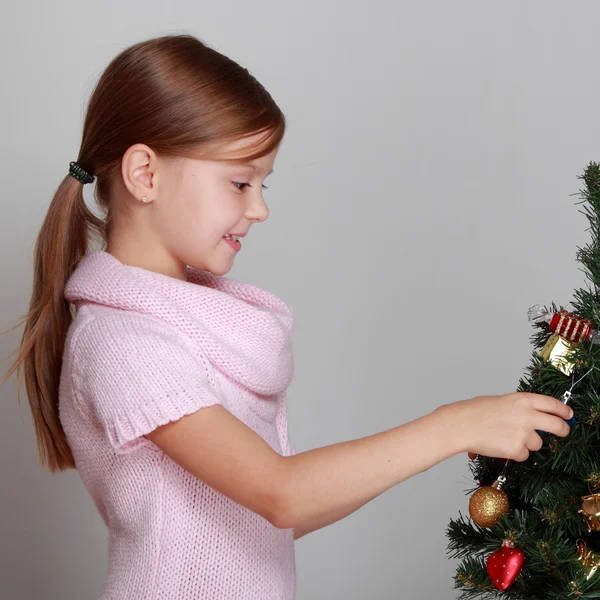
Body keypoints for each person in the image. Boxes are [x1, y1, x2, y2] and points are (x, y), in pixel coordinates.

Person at [2, 33, 573, 600]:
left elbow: (273, 517)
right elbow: (282, 494)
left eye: (263, 184)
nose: (260, 208)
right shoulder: (124, 342)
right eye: (240, 182)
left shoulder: (189, 326)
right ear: (145, 175)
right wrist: (453, 425)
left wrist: (446, 440)